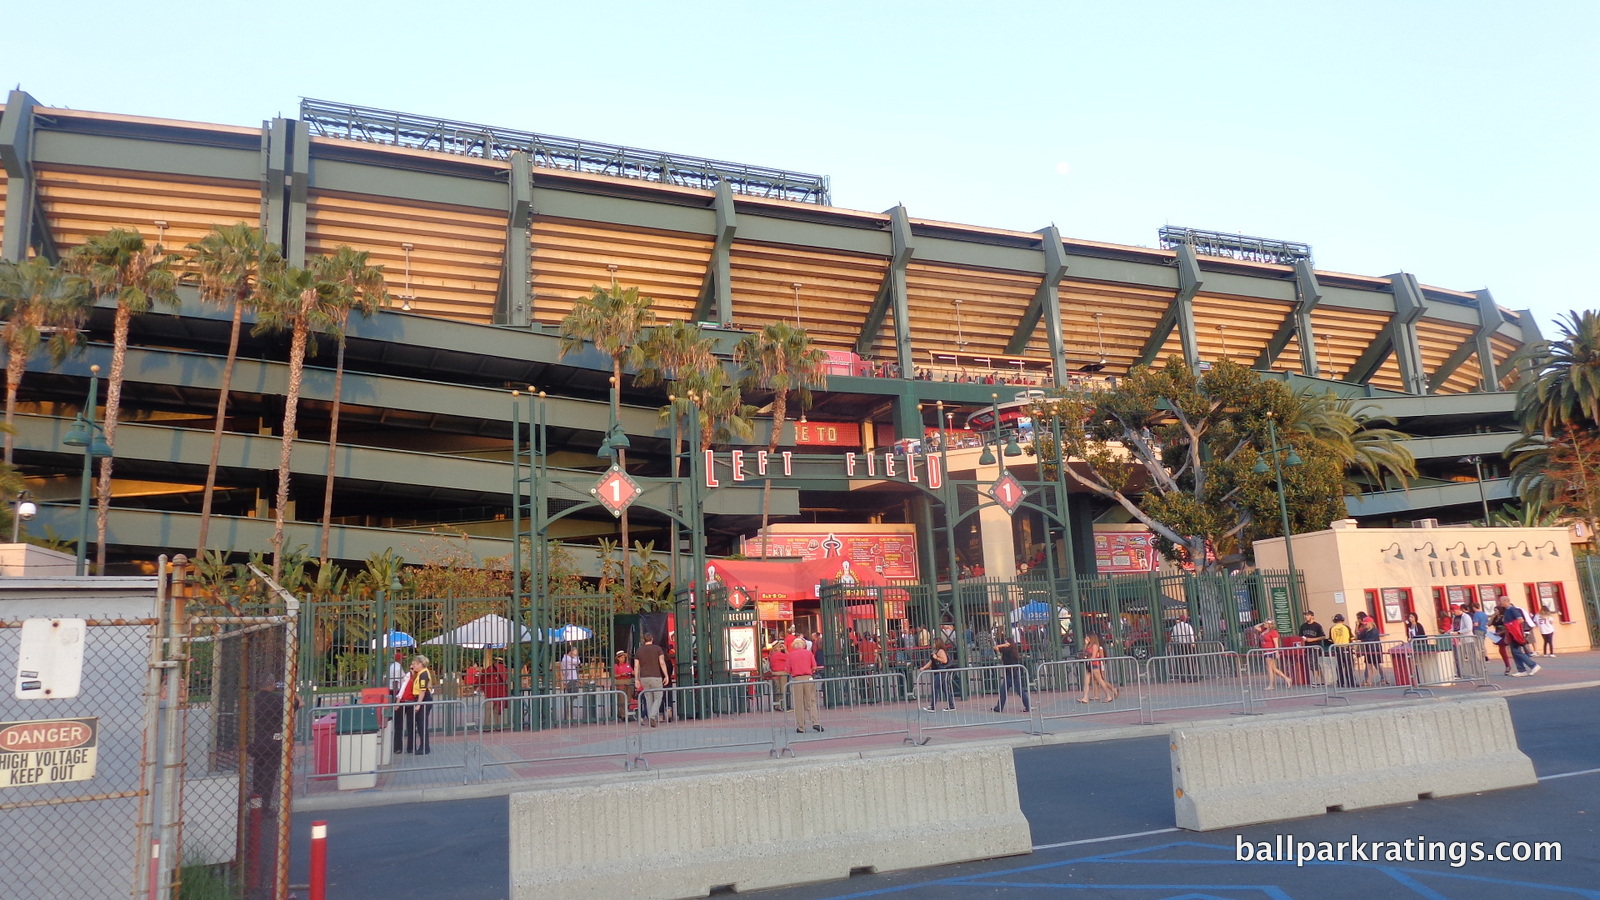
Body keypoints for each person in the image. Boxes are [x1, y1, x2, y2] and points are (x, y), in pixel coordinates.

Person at [395, 654, 435, 754]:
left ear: (420, 664)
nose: (413, 666)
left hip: (423, 698)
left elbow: (422, 691)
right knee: (420, 724)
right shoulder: (420, 673)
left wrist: (418, 704)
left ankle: (425, 747)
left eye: (415, 664)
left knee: (422, 724)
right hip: (421, 698)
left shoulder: (423, 674)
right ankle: (423, 746)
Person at [1498, 597, 1542, 677]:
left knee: (1517, 651)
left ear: (1505, 601)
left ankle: (1533, 665)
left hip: (1515, 633)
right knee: (1514, 652)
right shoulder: (1506, 610)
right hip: (1510, 633)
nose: (1499, 603)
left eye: (1500, 601)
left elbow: (1520, 620)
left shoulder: (1513, 609)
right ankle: (1521, 670)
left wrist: (1510, 626)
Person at [634, 633, 670, 727]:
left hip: (644, 677)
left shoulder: (639, 651)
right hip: (656, 676)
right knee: (658, 697)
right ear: (652, 639)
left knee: (648, 698)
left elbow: (636, 666)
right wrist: (666, 675)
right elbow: (662, 663)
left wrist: (636, 679)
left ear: (644, 640)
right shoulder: (658, 649)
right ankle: (652, 716)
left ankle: (651, 716)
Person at [787, 637, 822, 733]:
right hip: (808, 678)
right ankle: (816, 722)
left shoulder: (791, 655)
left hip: (797, 679)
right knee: (811, 701)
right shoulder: (808, 653)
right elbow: (814, 666)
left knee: (799, 703)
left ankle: (801, 726)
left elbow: (788, 670)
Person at [991, 628, 1030, 713]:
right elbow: (995, 648)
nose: (1004, 643)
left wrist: (1004, 645)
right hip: (1010, 672)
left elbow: (996, 647)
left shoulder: (1009, 649)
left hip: (1013, 672)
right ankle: (999, 707)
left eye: (1006, 642)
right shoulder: (1010, 649)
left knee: (1018, 690)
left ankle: (1027, 706)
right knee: (1004, 690)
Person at [1078, 634, 1117, 703]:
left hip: (1094, 664)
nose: (1086, 638)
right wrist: (1085, 645)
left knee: (1100, 680)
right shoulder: (1088, 645)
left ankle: (1108, 695)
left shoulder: (1095, 645)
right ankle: (1085, 697)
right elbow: (1085, 653)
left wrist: (1087, 658)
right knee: (1086, 682)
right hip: (1089, 665)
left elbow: (1093, 656)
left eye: (1087, 637)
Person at [920, 642, 956, 711]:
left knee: (936, 688)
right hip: (938, 671)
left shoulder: (941, 651)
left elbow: (944, 660)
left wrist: (937, 658)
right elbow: (931, 662)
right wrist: (924, 668)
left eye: (934, 642)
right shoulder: (935, 651)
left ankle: (932, 706)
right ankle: (951, 706)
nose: (932, 644)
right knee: (945, 689)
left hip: (941, 671)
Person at [1257, 622, 1292, 691]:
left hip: (1270, 651)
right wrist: (1262, 623)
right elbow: (1256, 627)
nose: (1265, 624)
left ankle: (1271, 685)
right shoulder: (1264, 630)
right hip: (1265, 651)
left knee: (1269, 668)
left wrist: (1277, 651)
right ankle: (1287, 678)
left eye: (1266, 623)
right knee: (1273, 668)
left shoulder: (1273, 632)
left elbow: (1276, 643)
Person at [1354, 611, 1385, 686]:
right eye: (1364, 624)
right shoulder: (1365, 630)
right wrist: (1357, 626)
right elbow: (1358, 636)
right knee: (1369, 665)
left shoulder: (1374, 630)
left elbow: (1370, 639)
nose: (1365, 625)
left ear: (1370, 623)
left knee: (1376, 665)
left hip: (1375, 649)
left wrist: (1361, 641)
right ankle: (1369, 680)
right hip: (1368, 650)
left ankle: (1380, 678)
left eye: (1366, 624)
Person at [480, 655, 509, 730]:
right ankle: (498, 726)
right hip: (500, 692)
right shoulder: (505, 669)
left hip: (490, 692)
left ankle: (487, 726)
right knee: (498, 710)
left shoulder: (490, 669)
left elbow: (483, 676)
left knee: (488, 709)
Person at [1328, 614, 1356, 688]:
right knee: (1349, 666)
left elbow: (1330, 640)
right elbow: (1351, 638)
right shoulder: (1346, 627)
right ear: (1342, 620)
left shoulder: (1332, 628)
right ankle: (1351, 683)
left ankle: (1340, 683)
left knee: (1339, 666)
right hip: (1346, 648)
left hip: (1337, 648)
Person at [1298, 611, 1326, 684]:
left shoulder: (1317, 626)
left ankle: (1315, 680)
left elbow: (1323, 636)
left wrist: (1312, 639)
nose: (1306, 617)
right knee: (1312, 663)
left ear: (1312, 616)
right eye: (1305, 615)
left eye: (1308, 615)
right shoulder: (1303, 626)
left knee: (1313, 663)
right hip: (1307, 647)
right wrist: (1303, 640)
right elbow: (1300, 635)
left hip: (1315, 646)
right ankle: (1323, 679)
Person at [1170, 613, 1198, 682]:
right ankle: (1192, 677)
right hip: (1188, 645)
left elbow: (1173, 637)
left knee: (1180, 661)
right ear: (1185, 619)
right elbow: (1191, 635)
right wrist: (1193, 643)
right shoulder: (1188, 626)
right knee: (1190, 661)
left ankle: (1182, 677)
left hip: (1179, 645)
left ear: (1179, 619)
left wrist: (1176, 641)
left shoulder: (1175, 627)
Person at [767, 640, 789, 712]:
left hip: (774, 673)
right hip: (782, 673)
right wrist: (785, 649)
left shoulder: (772, 654)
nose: (781, 648)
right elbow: (789, 657)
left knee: (777, 689)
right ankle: (782, 705)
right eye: (780, 647)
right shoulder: (778, 654)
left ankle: (777, 705)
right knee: (783, 689)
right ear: (776, 647)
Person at [612, 651, 634, 720]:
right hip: (621, 682)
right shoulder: (616, 666)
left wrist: (633, 673)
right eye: (621, 657)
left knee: (629, 698)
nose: (623, 658)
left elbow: (632, 671)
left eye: (624, 657)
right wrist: (621, 675)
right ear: (618, 658)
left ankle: (625, 713)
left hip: (628, 682)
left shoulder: (627, 665)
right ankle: (623, 715)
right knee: (622, 699)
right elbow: (614, 675)